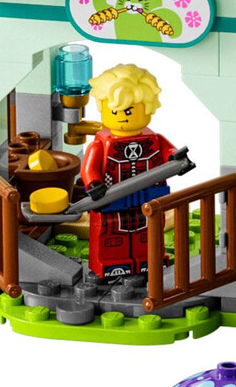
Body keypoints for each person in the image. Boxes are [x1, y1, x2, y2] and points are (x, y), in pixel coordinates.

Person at [75, 64, 191, 281]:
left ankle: (148, 259)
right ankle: (111, 262)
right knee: (110, 231)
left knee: (149, 231)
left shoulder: (154, 139)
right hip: (113, 201)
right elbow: (89, 168)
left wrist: (176, 159)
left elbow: (169, 152)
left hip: (149, 199)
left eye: (129, 111)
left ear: (148, 108)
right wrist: (94, 184)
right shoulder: (101, 144)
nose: (122, 116)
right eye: (115, 111)